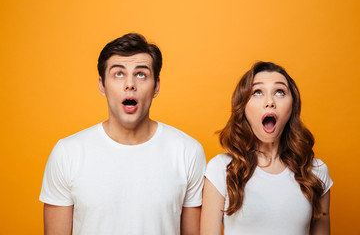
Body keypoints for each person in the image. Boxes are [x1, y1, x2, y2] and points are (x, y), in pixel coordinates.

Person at [40, 33, 206, 235]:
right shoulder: (67, 153)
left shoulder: (188, 152)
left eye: (141, 74)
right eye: (118, 74)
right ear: (102, 85)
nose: (130, 84)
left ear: (156, 86)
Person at [200, 61, 333, 235]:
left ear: (292, 105)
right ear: (244, 107)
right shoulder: (221, 169)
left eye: (280, 92)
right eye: (257, 92)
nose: (269, 102)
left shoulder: (316, 172)